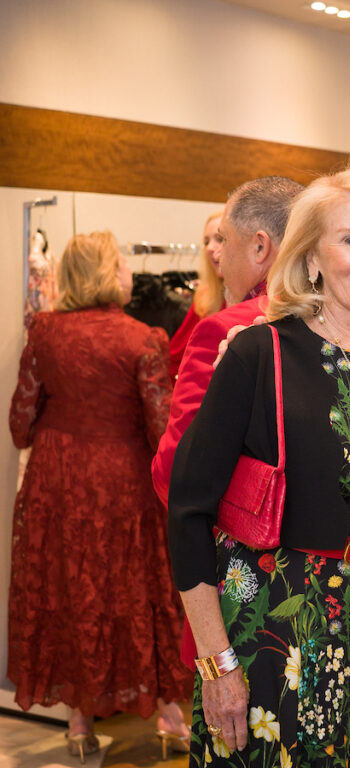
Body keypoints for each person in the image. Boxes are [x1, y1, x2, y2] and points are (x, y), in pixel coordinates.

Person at [167, 168, 350, 767]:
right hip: (275, 623)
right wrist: (216, 663)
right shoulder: (258, 353)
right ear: (311, 256)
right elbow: (187, 509)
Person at [8, 231, 193, 761]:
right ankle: (170, 712)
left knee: (69, 590)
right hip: (122, 480)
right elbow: (162, 431)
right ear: (108, 274)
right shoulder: (143, 338)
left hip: (57, 481)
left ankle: (79, 721)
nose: (130, 273)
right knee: (140, 587)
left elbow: (20, 423)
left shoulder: (43, 332)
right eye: (121, 263)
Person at [152, 177, 302, 506]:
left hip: (254, 543)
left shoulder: (227, 328)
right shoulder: (347, 319)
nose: (217, 254)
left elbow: (178, 472)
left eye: (224, 239)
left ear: (260, 247)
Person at [168, 209, 226, 376]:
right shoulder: (205, 297)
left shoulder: (258, 298)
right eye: (206, 241)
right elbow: (176, 356)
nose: (209, 248)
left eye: (220, 239)